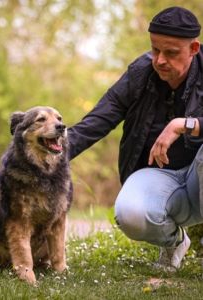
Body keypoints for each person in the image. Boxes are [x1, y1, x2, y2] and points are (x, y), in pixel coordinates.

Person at [68, 6, 203, 271]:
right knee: (131, 214)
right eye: (155, 50)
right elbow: (97, 121)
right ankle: (175, 242)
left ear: (194, 49)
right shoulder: (140, 73)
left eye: (171, 52)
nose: (160, 60)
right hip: (160, 179)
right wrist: (45, 154)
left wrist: (183, 125)